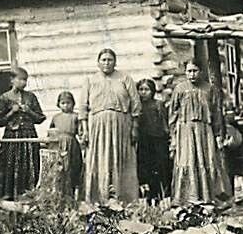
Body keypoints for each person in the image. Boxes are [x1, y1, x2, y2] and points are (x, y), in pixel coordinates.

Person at [79, 48, 141, 204]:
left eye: (110, 60)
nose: (107, 63)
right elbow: (83, 107)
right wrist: (85, 131)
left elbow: (136, 104)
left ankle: (124, 198)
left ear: (115, 62)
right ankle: (99, 198)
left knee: (121, 158)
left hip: (121, 124)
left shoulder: (125, 78)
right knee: (100, 159)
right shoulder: (90, 80)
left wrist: (134, 128)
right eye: (103, 60)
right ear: (98, 62)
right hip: (97, 126)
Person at [169, 59, 232, 205]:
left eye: (195, 71)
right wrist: (173, 134)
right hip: (185, 130)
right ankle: (186, 197)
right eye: (189, 71)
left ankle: (208, 196)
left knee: (207, 159)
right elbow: (173, 113)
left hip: (205, 130)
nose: (192, 74)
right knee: (187, 160)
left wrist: (218, 134)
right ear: (185, 72)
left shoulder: (209, 89)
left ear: (201, 72)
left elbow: (216, 113)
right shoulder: (180, 89)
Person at [0, 67, 46, 200]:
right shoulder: (4, 97)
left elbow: (40, 118)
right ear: (12, 80)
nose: (23, 83)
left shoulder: (31, 97)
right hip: (12, 137)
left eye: (25, 80)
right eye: (21, 79)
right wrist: (12, 112)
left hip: (29, 136)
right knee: (11, 165)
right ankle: (9, 197)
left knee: (30, 165)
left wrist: (28, 110)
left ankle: (29, 197)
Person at [136, 78, 172, 202]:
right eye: (141, 89)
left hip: (158, 140)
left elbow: (164, 122)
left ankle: (161, 194)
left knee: (160, 166)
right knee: (145, 167)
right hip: (143, 141)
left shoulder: (158, 104)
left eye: (147, 89)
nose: (143, 92)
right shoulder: (136, 106)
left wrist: (167, 136)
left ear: (152, 91)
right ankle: (147, 195)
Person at [49, 91, 83, 198]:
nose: (66, 105)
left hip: (72, 145)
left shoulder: (76, 117)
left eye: (68, 103)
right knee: (60, 169)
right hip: (59, 145)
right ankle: (59, 195)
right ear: (58, 104)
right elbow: (51, 131)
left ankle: (71, 194)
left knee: (73, 168)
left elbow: (81, 132)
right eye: (63, 103)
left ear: (73, 104)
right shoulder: (56, 117)